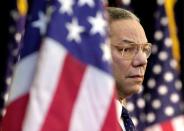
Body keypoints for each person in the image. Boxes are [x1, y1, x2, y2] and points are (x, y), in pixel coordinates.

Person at [107, 7, 152, 131]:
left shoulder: (123, 120)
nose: (143, 61)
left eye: (144, 50)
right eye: (126, 49)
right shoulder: (77, 120)